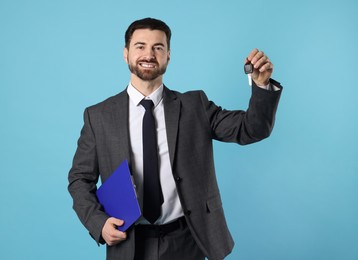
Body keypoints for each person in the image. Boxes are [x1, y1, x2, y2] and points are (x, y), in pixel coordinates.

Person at [68, 17, 282, 260]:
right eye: (140, 46)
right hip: (129, 243)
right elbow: (79, 179)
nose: (149, 54)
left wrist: (261, 86)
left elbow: (251, 129)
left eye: (158, 47)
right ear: (125, 53)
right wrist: (98, 223)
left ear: (168, 55)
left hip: (187, 242)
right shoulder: (98, 116)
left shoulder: (195, 106)